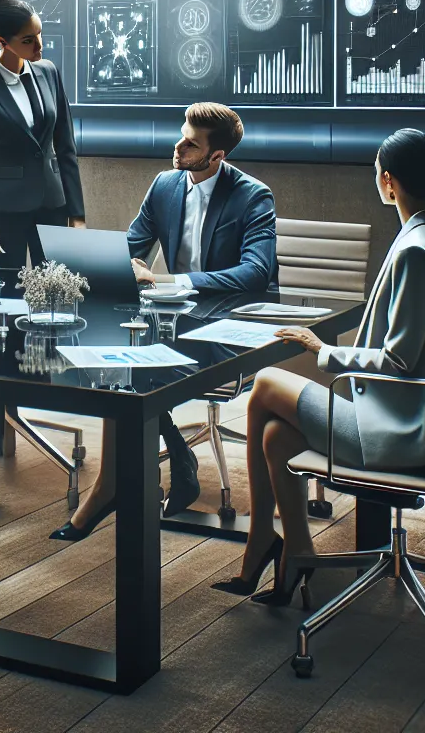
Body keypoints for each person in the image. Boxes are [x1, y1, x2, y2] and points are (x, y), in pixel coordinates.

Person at [212, 128, 425, 605]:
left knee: (267, 384)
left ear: (389, 181)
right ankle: (297, 551)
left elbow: (397, 360)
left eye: (376, 171)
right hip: (417, 417)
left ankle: (259, 542)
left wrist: (321, 350)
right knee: (276, 437)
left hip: (405, 431)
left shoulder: (417, 250)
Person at [50, 102, 278, 541]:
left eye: (191, 143)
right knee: (110, 357)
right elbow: (131, 245)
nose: (178, 146)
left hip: (224, 333)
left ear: (217, 156)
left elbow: (256, 271)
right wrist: (115, 264)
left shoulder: (252, 196)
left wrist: (171, 278)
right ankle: (169, 459)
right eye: (181, 134)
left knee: (125, 367)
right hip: (171, 325)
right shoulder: (165, 186)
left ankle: (116, 485)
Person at [0, 0, 86, 520]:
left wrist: (76, 215)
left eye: (39, 35)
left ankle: (54, 404)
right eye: (29, 38)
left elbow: (66, 148)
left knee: (61, 316)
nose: (40, 43)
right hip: (2, 217)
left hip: (53, 209)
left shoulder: (48, 71)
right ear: (1, 40)